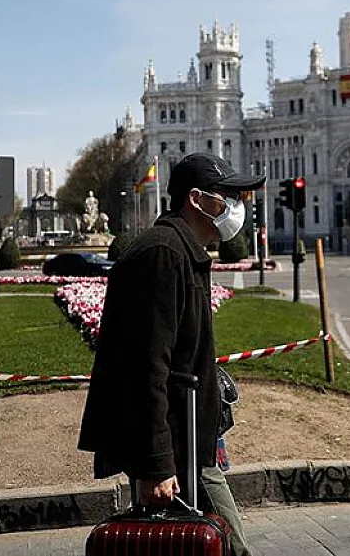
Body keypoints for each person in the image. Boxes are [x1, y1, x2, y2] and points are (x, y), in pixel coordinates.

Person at [78, 152, 262, 556]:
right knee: (228, 546)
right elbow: (147, 368)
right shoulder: (163, 255)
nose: (236, 206)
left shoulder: (182, 250)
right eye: (226, 195)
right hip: (176, 448)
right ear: (196, 200)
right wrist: (156, 465)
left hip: (192, 441)